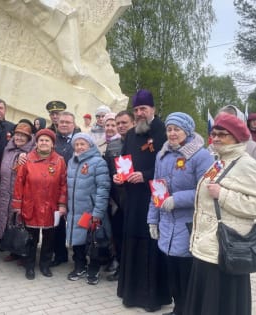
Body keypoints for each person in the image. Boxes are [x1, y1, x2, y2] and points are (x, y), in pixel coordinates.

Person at [184, 113, 256, 315]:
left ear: (236, 137)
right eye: (214, 133)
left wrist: (223, 195)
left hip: (226, 251)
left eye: (222, 134)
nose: (215, 138)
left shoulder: (246, 164)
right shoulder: (219, 161)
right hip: (206, 247)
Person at [147, 112, 213, 315]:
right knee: (172, 271)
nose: (172, 133)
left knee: (185, 272)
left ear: (187, 131)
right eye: (169, 129)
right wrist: (153, 220)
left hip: (188, 224)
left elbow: (206, 188)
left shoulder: (201, 156)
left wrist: (177, 199)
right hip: (167, 224)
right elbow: (157, 189)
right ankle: (179, 309)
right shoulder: (162, 155)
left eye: (177, 129)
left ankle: (189, 310)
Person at [114, 89, 171, 312]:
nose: (139, 113)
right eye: (136, 109)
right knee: (133, 240)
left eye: (143, 109)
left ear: (153, 109)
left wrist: (145, 175)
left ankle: (152, 297)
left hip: (155, 194)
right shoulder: (130, 134)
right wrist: (120, 175)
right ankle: (131, 294)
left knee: (152, 240)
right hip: (133, 198)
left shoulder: (164, 131)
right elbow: (125, 161)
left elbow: (167, 165)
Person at [12, 128, 67, 280]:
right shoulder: (26, 159)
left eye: (47, 140)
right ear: (36, 142)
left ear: (52, 144)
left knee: (49, 238)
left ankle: (45, 264)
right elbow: (19, 183)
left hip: (51, 206)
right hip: (31, 204)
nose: (43, 143)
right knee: (31, 238)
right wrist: (17, 205)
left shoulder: (59, 161)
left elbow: (63, 184)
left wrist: (62, 204)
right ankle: (29, 266)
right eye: (41, 140)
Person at [66, 132, 110, 285]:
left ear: (90, 145)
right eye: (76, 144)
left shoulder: (98, 162)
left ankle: (94, 268)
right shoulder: (72, 162)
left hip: (89, 211)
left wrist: (98, 212)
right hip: (74, 210)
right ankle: (79, 266)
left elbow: (103, 188)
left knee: (92, 241)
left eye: (82, 144)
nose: (79, 147)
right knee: (77, 240)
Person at [0, 121, 35, 262]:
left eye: (23, 136)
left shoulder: (31, 153)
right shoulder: (8, 149)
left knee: (21, 222)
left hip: (21, 194)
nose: (19, 138)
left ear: (28, 138)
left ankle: (24, 252)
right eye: (17, 135)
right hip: (5, 191)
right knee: (8, 221)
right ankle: (12, 249)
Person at [104, 110, 135, 281]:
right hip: (116, 200)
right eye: (118, 123)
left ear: (133, 124)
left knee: (132, 236)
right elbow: (108, 171)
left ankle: (131, 270)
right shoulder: (113, 145)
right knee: (117, 235)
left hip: (134, 199)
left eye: (125, 123)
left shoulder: (142, 144)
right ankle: (120, 267)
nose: (121, 126)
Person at [51, 111, 79, 267]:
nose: (63, 124)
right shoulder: (53, 140)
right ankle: (60, 254)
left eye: (67, 122)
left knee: (76, 223)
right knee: (59, 223)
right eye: (61, 122)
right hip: (57, 189)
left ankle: (78, 256)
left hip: (76, 188)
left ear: (73, 124)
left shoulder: (80, 140)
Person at [216, 105, 256, 179]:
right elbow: (206, 179)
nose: (223, 126)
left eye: (228, 121)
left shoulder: (254, 149)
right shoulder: (213, 148)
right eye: (220, 121)